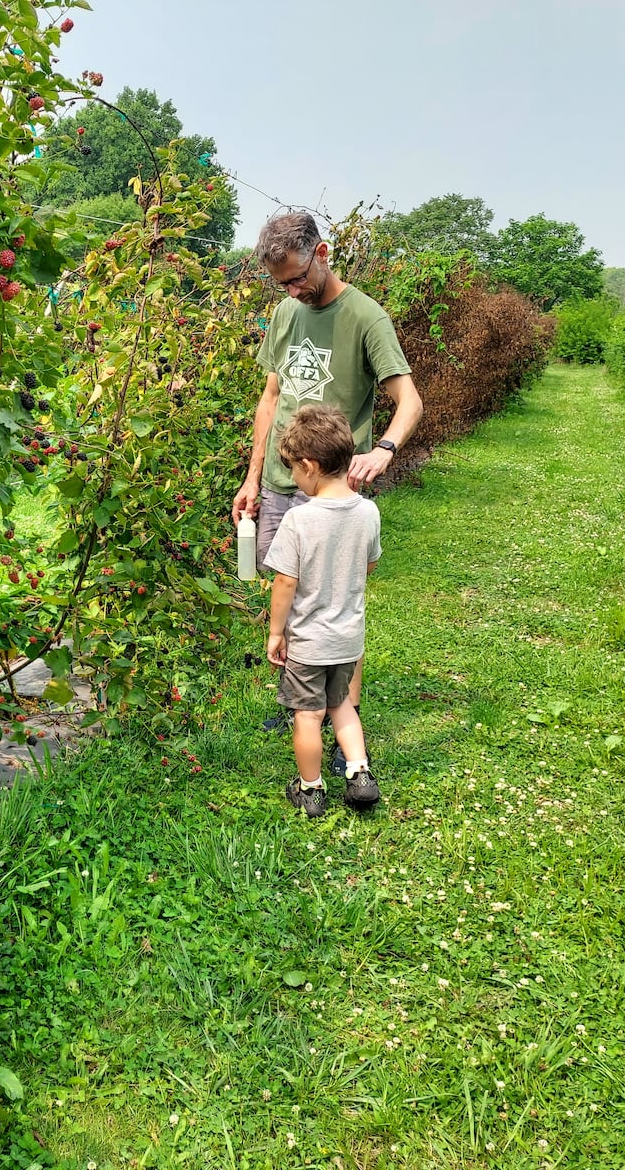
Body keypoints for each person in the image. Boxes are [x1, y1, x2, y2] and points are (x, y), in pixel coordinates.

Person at [231, 212, 423, 779]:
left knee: (339, 605)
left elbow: (408, 401)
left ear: (322, 253)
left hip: (336, 489)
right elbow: (271, 399)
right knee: (289, 596)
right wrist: (252, 477)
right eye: (282, 285)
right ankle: (303, 703)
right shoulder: (285, 312)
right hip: (282, 481)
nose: (292, 292)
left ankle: (344, 716)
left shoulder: (366, 317)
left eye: (298, 280)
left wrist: (385, 448)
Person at [263, 404, 381, 816]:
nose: (294, 478)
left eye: (294, 469)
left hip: (309, 642)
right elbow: (368, 564)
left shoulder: (299, 519)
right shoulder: (368, 512)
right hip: (348, 637)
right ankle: (359, 773)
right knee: (342, 704)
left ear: (310, 466)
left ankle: (310, 789)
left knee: (308, 715)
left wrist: (277, 632)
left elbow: (285, 582)